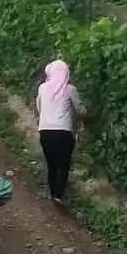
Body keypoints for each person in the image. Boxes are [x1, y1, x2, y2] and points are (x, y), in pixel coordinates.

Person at [35, 59, 87, 206]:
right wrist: (89, 117)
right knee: (63, 165)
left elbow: (39, 107)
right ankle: (58, 197)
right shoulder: (70, 89)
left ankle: (52, 194)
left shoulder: (42, 88)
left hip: (45, 132)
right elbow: (80, 110)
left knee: (51, 164)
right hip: (63, 132)